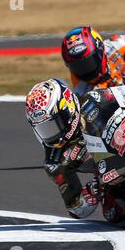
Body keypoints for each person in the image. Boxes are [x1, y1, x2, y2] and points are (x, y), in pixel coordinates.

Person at [25, 78, 100, 219]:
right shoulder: (55, 161)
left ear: (67, 110)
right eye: (44, 129)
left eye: (52, 125)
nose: (50, 134)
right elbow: (77, 210)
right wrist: (93, 191)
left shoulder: (90, 96)